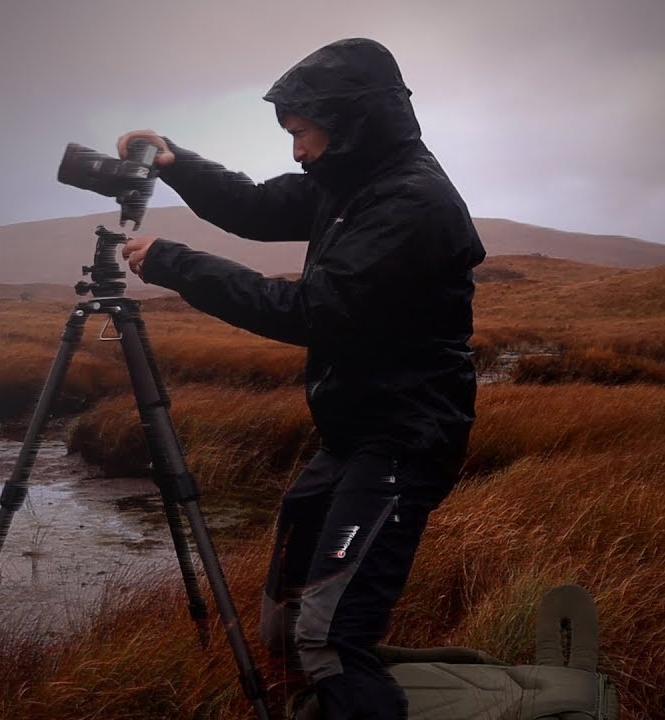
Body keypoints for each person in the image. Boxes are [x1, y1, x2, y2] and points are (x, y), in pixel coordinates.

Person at [116, 37, 485, 720]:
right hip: (351, 435)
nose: (295, 151)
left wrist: (174, 263)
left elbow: (313, 312)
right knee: (284, 620)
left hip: (402, 439)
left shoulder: (409, 205)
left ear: (350, 123)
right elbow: (256, 208)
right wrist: (175, 162)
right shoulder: (352, 183)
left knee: (329, 641)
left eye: (302, 133)